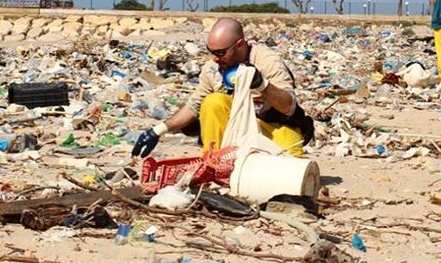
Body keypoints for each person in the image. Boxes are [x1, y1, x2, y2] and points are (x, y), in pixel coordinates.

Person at [132, 17, 314, 159]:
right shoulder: (213, 70)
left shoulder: (267, 61)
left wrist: (261, 84)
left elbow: (288, 106)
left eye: (221, 53)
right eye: (211, 52)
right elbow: (194, 106)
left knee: (289, 164)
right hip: (236, 133)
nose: (215, 59)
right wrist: (157, 131)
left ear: (240, 45)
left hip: (271, 128)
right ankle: (214, 162)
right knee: (212, 102)